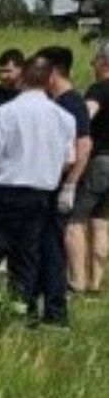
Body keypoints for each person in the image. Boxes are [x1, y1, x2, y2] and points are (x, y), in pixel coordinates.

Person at [0, 58, 77, 324]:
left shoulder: (4, 113)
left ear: (22, 78)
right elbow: (68, 160)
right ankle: (21, 312)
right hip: (41, 194)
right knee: (26, 256)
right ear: (50, 80)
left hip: (5, 191)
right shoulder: (64, 118)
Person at [38, 46, 91, 309]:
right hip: (49, 182)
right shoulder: (55, 102)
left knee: (53, 243)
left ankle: (55, 297)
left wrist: (70, 184)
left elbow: (83, 146)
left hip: (61, 183)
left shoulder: (72, 102)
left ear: (54, 71)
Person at [72, 39, 109, 292]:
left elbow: (86, 113)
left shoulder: (100, 88)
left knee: (76, 221)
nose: (93, 66)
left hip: (100, 162)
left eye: (94, 61)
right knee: (102, 223)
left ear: (104, 63)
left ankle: (78, 283)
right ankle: (96, 283)